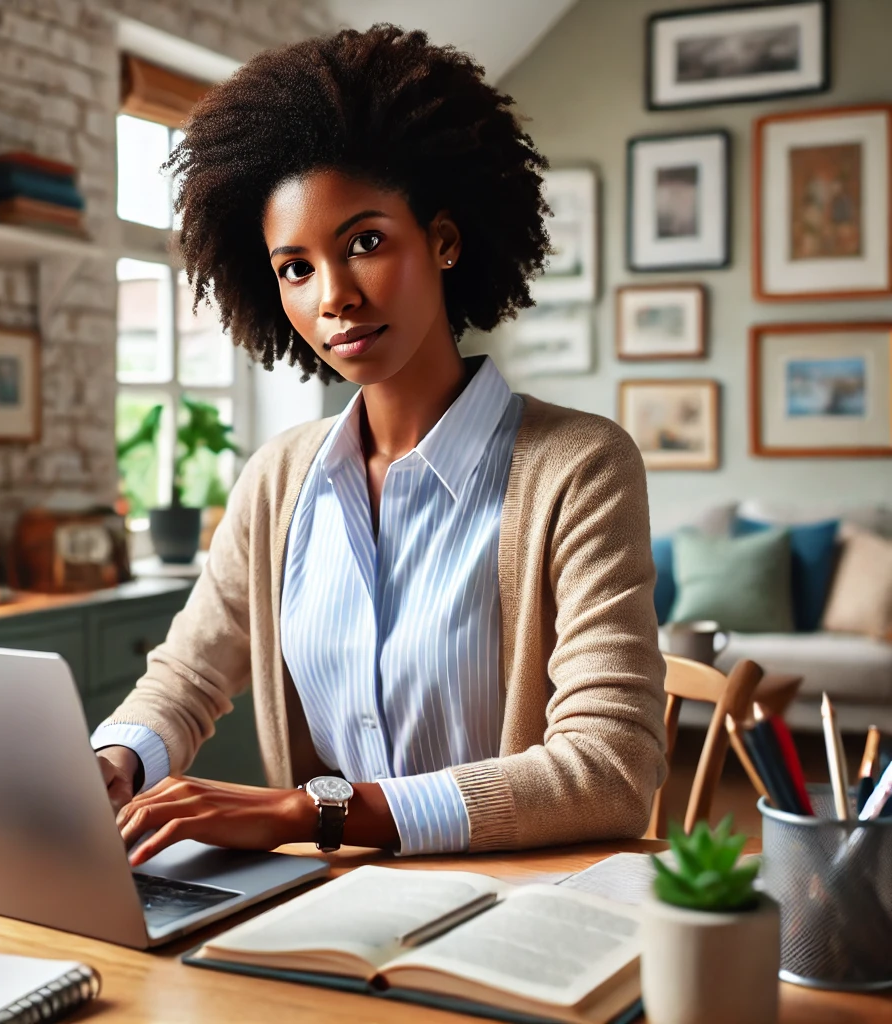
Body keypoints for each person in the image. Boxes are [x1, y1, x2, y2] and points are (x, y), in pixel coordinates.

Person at [95, 24, 667, 867]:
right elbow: (187, 678)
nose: (335, 297)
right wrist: (113, 763)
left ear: (443, 240)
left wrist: (312, 812)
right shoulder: (279, 479)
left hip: (513, 909)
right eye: (296, 267)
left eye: (365, 242)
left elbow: (611, 772)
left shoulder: (579, 468)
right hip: (329, 904)